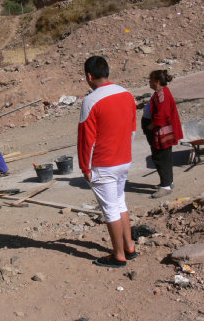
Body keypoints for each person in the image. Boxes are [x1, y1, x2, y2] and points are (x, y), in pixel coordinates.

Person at [78, 56, 137, 268]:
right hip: (124, 159)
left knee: (110, 209)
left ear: (89, 76)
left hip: (104, 163)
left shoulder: (91, 101)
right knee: (120, 202)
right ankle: (129, 247)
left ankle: (118, 255)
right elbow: (132, 129)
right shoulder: (127, 94)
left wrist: (85, 167)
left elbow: (87, 140)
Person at [146, 69, 183, 198]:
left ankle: (166, 186)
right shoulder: (160, 93)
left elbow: (162, 115)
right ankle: (167, 182)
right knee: (164, 157)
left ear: (156, 82)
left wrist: (151, 126)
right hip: (161, 130)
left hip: (162, 132)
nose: (149, 83)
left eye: (150, 80)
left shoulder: (163, 94)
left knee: (161, 158)